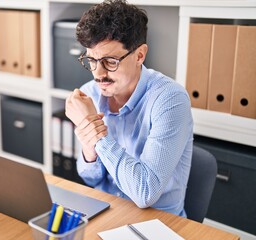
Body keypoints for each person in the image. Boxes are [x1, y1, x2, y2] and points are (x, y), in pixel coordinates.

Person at [65, 0, 193, 217]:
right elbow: (90, 178)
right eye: (91, 60)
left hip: (157, 221)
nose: (98, 73)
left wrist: (95, 133)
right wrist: (90, 146)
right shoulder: (92, 92)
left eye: (110, 61)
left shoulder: (171, 100)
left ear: (140, 55)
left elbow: (145, 193)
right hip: (105, 211)